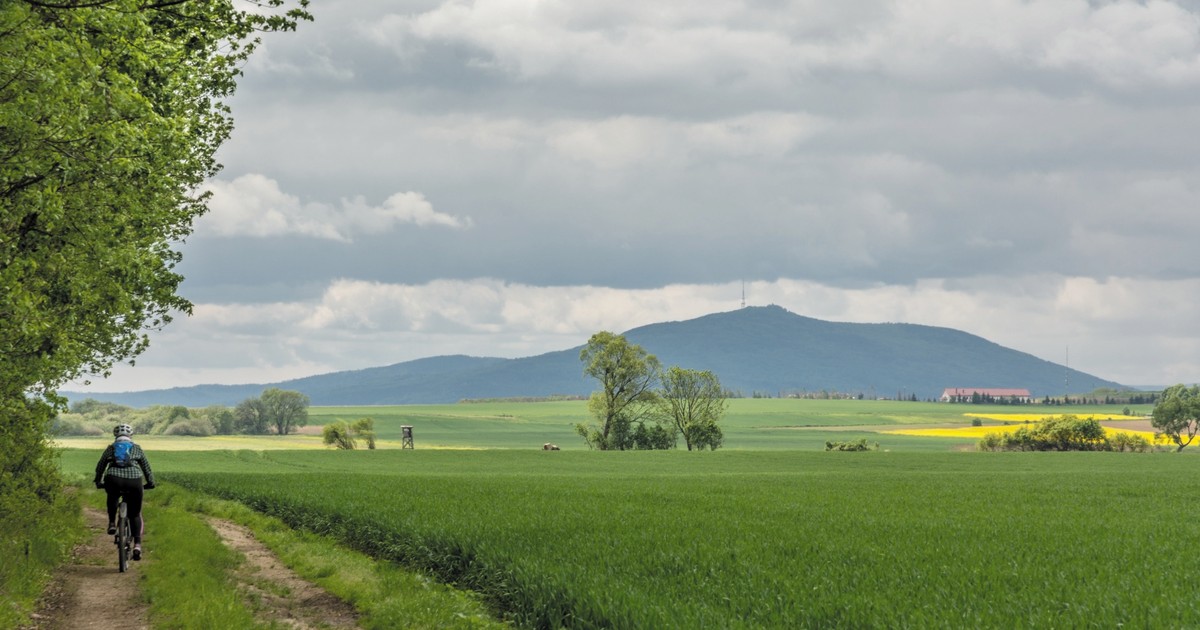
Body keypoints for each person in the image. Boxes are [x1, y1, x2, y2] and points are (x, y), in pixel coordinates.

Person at [94, 423, 156, 561]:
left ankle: (111, 523)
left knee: (112, 496)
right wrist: (150, 483)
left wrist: (98, 481)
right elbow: (146, 468)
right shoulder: (136, 448)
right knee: (135, 514)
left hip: (113, 478)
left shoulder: (111, 448)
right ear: (130, 435)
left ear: (115, 435)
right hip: (134, 480)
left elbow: (101, 466)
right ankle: (138, 545)